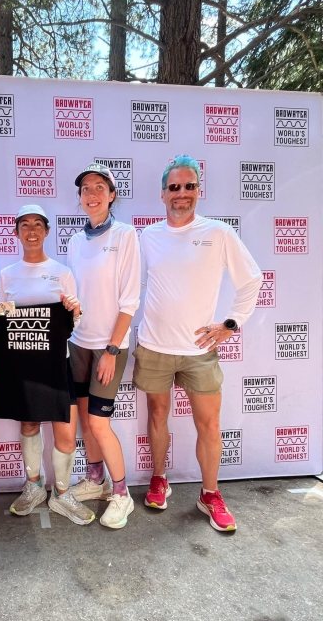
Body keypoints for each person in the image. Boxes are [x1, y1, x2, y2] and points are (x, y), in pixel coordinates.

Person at [133, 154, 262, 532]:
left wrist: (231, 323)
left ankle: (210, 494)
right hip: (154, 346)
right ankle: (159, 479)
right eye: (174, 187)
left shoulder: (219, 233)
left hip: (200, 351)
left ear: (198, 191)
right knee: (157, 415)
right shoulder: (147, 236)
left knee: (209, 424)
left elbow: (251, 279)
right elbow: (130, 286)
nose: (182, 193)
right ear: (163, 194)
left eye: (189, 186)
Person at [0, 204, 95, 525]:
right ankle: (33, 486)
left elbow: (73, 321)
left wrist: (74, 311)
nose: (31, 231)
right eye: (25, 225)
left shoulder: (62, 272)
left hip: (57, 365)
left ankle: (62, 493)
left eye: (37, 225)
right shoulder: (7, 274)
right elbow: (4, 318)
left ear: (46, 231)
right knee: (29, 426)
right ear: (16, 233)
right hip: (23, 367)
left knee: (65, 433)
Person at [67, 163, 141, 529]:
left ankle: (122, 494)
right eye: (86, 189)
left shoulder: (126, 236)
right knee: (85, 419)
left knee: (98, 422)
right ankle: (95, 479)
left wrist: (111, 351)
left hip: (108, 347)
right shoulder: (74, 242)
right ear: (80, 198)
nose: (92, 194)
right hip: (78, 343)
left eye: (100, 187)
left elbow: (129, 301)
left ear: (112, 195)